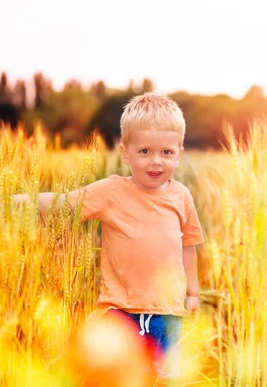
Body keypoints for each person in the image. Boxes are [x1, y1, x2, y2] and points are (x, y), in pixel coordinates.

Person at [14, 93, 205, 384]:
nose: (156, 161)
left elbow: (187, 245)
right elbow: (66, 203)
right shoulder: (111, 191)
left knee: (167, 379)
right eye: (144, 152)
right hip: (120, 313)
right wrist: (25, 201)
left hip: (169, 315)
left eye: (166, 152)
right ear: (126, 153)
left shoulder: (181, 196)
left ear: (178, 152)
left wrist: (193, 293)